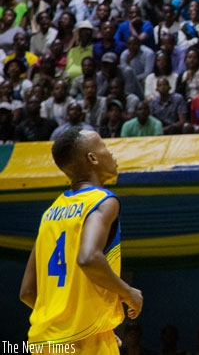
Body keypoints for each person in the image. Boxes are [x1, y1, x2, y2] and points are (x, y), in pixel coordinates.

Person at [19, 127, 143, 352]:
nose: (110, 152)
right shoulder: (103, 201)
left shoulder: (50, 214)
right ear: (92, 158)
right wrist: (129, 292)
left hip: (42, 343)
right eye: (104, 146)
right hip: (85, 344)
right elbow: (88, 258)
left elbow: (27, 292)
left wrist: (89, 322)